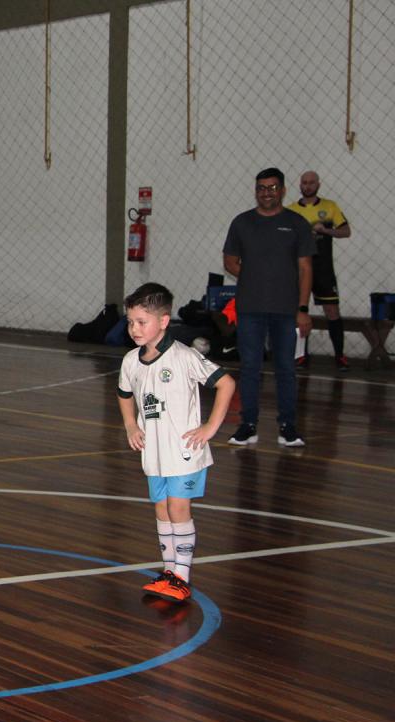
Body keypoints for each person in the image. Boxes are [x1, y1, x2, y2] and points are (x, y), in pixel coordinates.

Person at [116, 282, 235, 603]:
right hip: (153, 452)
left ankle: (181, 575)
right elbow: (124, 394)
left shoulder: (184, 357)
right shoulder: (130, 361)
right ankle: (169, 572)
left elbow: (226, 383)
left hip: (185, 451)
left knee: (178, 507)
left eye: (142, 322)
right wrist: (130, 425)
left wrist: (210, 427)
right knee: (162, 509)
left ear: (164, 321)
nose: (134, 328)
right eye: (130, 322)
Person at [222, 167, 314, 447]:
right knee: (250, 367)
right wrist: (255, 276)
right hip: (249, 308)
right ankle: (248, 425)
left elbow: (306, 269)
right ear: (256, 191)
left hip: (286, 311)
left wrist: (302, 308)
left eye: (272, 187)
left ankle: (288, 426)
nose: (266, 193)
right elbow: (230, 262)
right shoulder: (241, 223)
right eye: (261, 188)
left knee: (286, 368)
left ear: (283, 190)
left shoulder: (297, 224)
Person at [287, 170, 352, 371]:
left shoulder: (329, 207)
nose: (307, 186)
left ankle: (340, 356)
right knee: (299, 310)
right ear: (300, 185)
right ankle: (301, 356)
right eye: (304, 183)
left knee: (332, 311)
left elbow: (346, 231)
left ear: (318, 184)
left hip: (323, 269)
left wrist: (326, 230)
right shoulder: (290, 211)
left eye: (311, 182)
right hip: (299, 269)